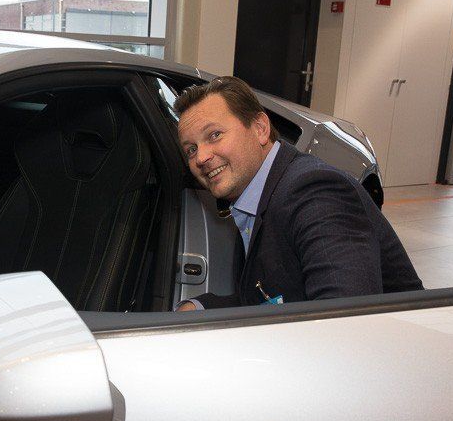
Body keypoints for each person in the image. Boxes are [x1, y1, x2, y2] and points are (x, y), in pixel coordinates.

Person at [175, 76, 422, 311]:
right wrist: (200, 308)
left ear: (260, 128)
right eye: (191, 150)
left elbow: (345, 318)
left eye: (215, 135)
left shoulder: (316, 193)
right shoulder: (254, 196)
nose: (201, 157)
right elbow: (274, 299)